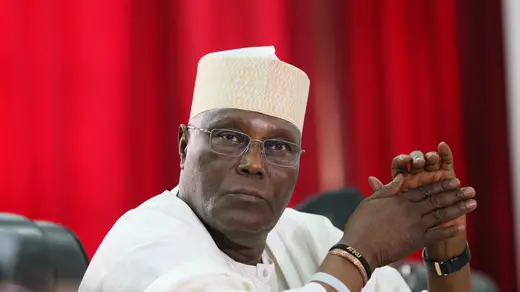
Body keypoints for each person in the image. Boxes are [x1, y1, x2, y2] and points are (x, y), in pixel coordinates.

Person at [78, 46, 477, 291]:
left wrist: (446, 246)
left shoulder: (303, 234)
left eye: (279, 146)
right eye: (229, 137)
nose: (253, 164)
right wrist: (359, 253)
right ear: (184, 146)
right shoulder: (149, 244)